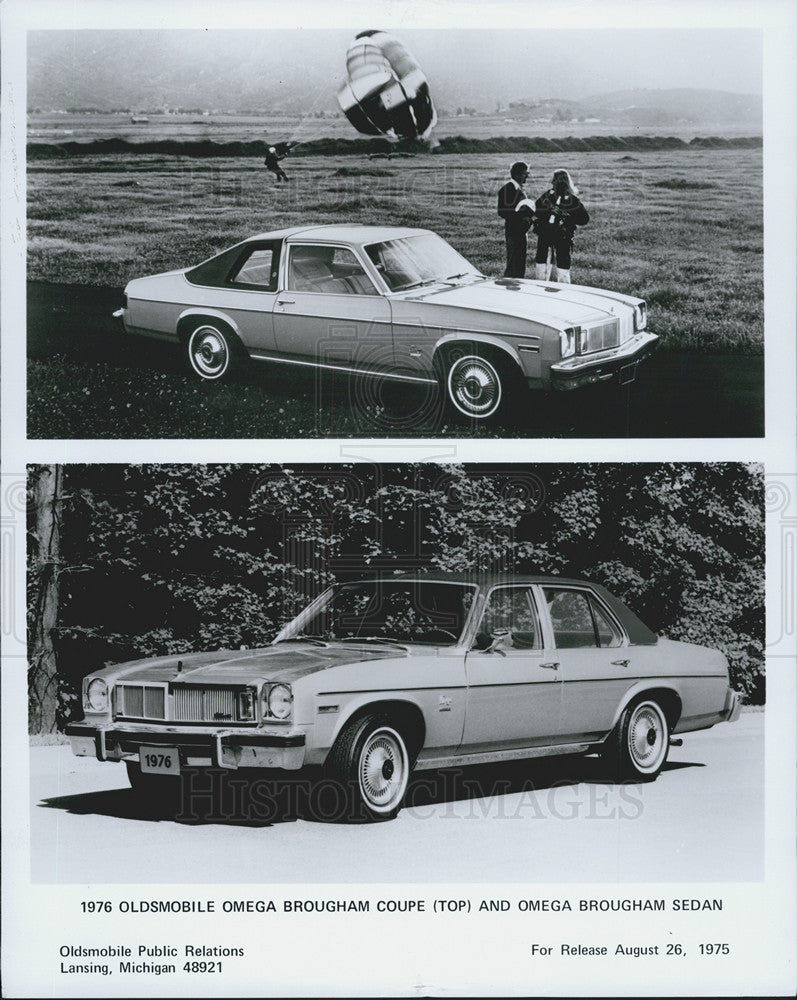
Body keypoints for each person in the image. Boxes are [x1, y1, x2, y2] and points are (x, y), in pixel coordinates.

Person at [533, 168, 589, 283]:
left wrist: (567, 216)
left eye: (554, 180)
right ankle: (540, 287)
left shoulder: (572, 200)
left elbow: (584, 219)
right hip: (546, 235)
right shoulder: (547, 196)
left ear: (560, 181)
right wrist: (548, 211)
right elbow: (535, 210)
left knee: (562, 267)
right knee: (542, 265)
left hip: (562, 236)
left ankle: (564, 291)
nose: (551, 182)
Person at [496, 161, 532, 278]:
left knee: (520, 262)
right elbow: (502, 211)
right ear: (517, 174)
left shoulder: (519, 189)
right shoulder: (507, 189)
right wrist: (522, 216)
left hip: (521, 231)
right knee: (513, 263)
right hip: (514, 231)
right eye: (525, 173)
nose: (527, 176)